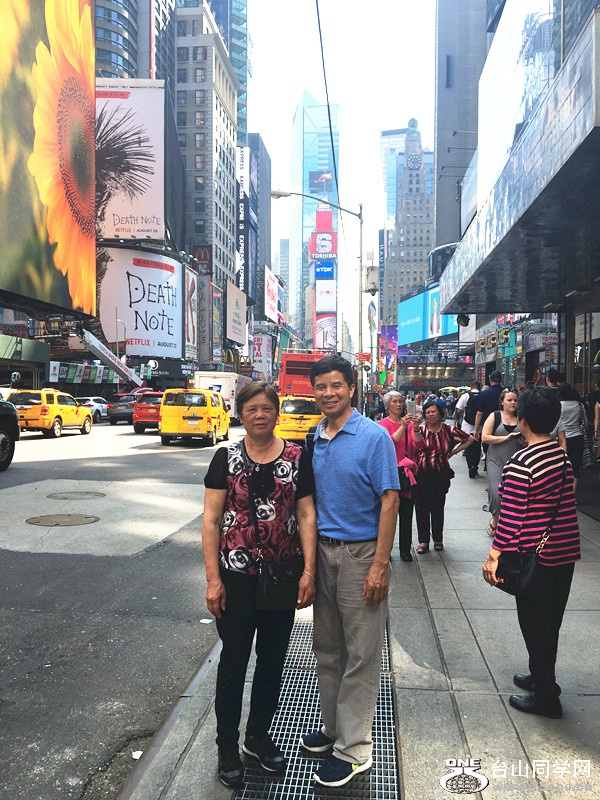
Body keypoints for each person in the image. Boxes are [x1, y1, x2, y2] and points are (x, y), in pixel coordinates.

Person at [202, 381, 317, 788]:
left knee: (272, 661)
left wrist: (309, 571)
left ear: (276, 412)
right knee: (233, 661)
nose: (259, 415)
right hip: (235, 578)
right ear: (241, 413)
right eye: (251, 408)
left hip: (281, 576)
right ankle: (226, 746)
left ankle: (257, 735)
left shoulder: (297, 457)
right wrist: (213, 580)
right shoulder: (226, 457)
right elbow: (211, 521)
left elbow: (306, 515)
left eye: (266, 408)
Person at [299, 355, 399, 789]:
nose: (328, 393)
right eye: (321, 386)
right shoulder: (315, 436)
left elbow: (390, 501)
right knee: (327, 647)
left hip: (361, 556)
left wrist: (379, 565)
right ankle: (334, 727)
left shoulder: (374, 437)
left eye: (336, 385)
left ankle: (355, 748)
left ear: (352, 388)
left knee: (361, 653)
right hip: (323, 552)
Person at [482, 387, 580, 719]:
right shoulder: (561, 456)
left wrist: (493, 555)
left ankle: (546, 698)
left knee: (535, 624)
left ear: (522, 420)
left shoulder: (521, 462)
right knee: (550, 622)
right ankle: (542, 678)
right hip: (563, 553)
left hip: (535, 557)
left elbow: (511, 517)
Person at [414, 398, 474, 553]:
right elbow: (415, 446)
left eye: (433, 411)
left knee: (437, 508)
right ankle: (423, 541)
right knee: (421, 509)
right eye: (427, 412)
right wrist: (415, 429)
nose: (430, 415)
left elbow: (470, 439)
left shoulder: (448, 430)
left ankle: (438, 539)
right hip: (421, 474)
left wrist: (453, 452)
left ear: (440, 413)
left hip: (440, 475)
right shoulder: (420, 430)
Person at [378, 390, 423, 562]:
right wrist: (403, 427)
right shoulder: (382, 425)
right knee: (387, 516)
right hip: (389, 475)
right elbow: (388, 443)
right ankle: (385, 550)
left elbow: (418, 445)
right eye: (395, 401)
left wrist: (416, 428)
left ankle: (405, 549)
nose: (399, 404)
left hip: (407, 475)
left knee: (406, 514)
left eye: (401, 401)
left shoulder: (409, 424)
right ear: (387, 405)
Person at [481, 389, 525, 537]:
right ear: (502, 402)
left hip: (516, 463)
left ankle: (509, 523)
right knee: (496, 492)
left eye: (515, 400)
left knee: (513, 494)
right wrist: (506, 438)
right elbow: (485, 437)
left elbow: (530, 441)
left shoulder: (522, 418)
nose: (513, 403)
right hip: (495, 460)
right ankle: (495, 519)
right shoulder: (495, 416)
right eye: (509, 400)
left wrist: (523, 442)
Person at [557, 381, 586, 492]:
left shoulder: (558, 406)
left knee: (561, 466)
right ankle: (572, 495)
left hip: (561, 438)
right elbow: (585, 421)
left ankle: (562, 492)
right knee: (575, 468)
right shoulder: (579, 405)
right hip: (577, 437)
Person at [454, 380, 481, 477]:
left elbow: (458, 409)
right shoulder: (482, 396)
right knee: (477, 448)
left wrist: (465, 414)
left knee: (468, 448)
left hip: (467, 426)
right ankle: (475, 465)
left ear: (471, 386)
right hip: (480, 428)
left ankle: (470, 466)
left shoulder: (465, 396)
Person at [473, 370, 504, 446]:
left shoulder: (484, 394)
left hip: (488, 425)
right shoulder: (505, 393)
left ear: (490, 380)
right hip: (504, 424)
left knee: (488, 446)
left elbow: (479, 413)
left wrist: (476, 429)